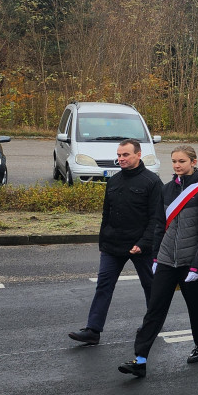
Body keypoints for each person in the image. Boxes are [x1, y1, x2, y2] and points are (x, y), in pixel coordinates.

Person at [118, 145, 198, 378]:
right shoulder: (168, 189)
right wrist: (155, 256)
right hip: (165, 261)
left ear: (194, 162)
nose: (177, 165)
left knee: (197, 308)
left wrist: (197, 265)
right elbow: (159, 225)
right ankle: (140, 360)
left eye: (181, 161)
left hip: (190, 262)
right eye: (173, 161)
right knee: (154, 310)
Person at [69, 139, 163, 346]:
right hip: (113, 246)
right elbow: (106, 214)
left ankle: (153, 324)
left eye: (125, 155)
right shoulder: (114, 181)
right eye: (119, 155)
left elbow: (157, 218)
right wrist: (103, 242)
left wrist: (144, 243)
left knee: (150, 286)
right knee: (103, 285)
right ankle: (93, 330)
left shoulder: (152, 182)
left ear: (138, 155)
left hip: (140, 247)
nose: (121, 159)